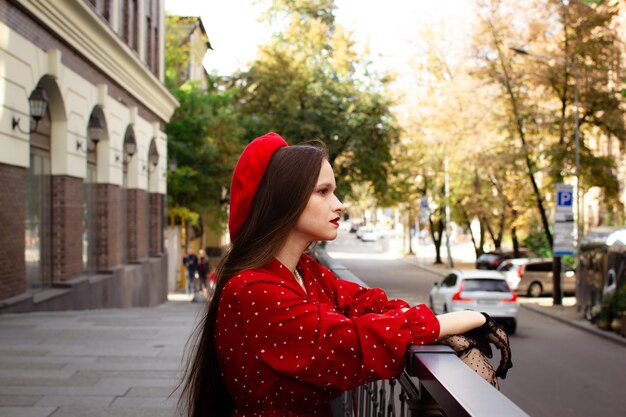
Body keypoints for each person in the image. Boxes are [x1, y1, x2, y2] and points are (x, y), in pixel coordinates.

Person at [179, 132, 512, 417]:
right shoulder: (253, 289)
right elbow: (352, 342)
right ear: (285, 202)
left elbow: (368, 304)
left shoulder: (305, 272)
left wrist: (439, 326)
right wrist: (467, 319)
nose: (338, 204)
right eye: (323, 192)